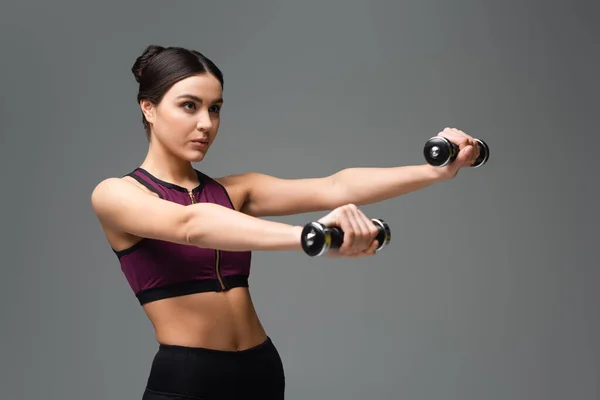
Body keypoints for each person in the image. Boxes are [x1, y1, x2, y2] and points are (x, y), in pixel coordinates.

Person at [90, 45, 481, 400]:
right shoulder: (116, 194)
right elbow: (191, 223)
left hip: (260, 369)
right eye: (189, 106)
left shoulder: (236, 190)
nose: (207, 123)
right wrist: (311, 237)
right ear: (149, 108)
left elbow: (335, 186)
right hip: (190, 379)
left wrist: (435, 172)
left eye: (215, 108)